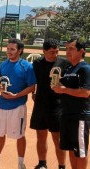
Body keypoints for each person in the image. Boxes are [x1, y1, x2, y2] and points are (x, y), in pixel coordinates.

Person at [0, 38, 36, 169]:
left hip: (18, 106)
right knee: (0, 134)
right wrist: (0, 89)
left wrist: (16, 96)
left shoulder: (27, 66)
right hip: (2, 105)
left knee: (20, 136)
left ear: (20, 51)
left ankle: (20, 163)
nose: (9, 51)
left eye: (12, 49)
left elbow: (32, 87)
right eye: (8, 49)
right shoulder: (3, 65)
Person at [52, 36, 90, 169]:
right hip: (66, 115)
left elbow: (85, 92)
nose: (68, 52)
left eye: (72, 49)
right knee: (71, 149)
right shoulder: (68, 70)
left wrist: (63, 90)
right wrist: (56, 83)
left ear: (82, 51)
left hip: (80, 116)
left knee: (81, 152)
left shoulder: (85, 69)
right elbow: (62, 88)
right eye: (67, 49)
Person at [30, 38, 68, 169]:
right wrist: (33, 93)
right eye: (52, 52)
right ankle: (42, 164)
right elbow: (32, 80)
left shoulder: (64, 63)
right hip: (40, 105)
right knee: (41, 136)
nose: (55, 54)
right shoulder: (37, 63)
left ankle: (61, 166)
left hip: (57, 106)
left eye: (57, 51)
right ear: (44, 51)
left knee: (57, 138)